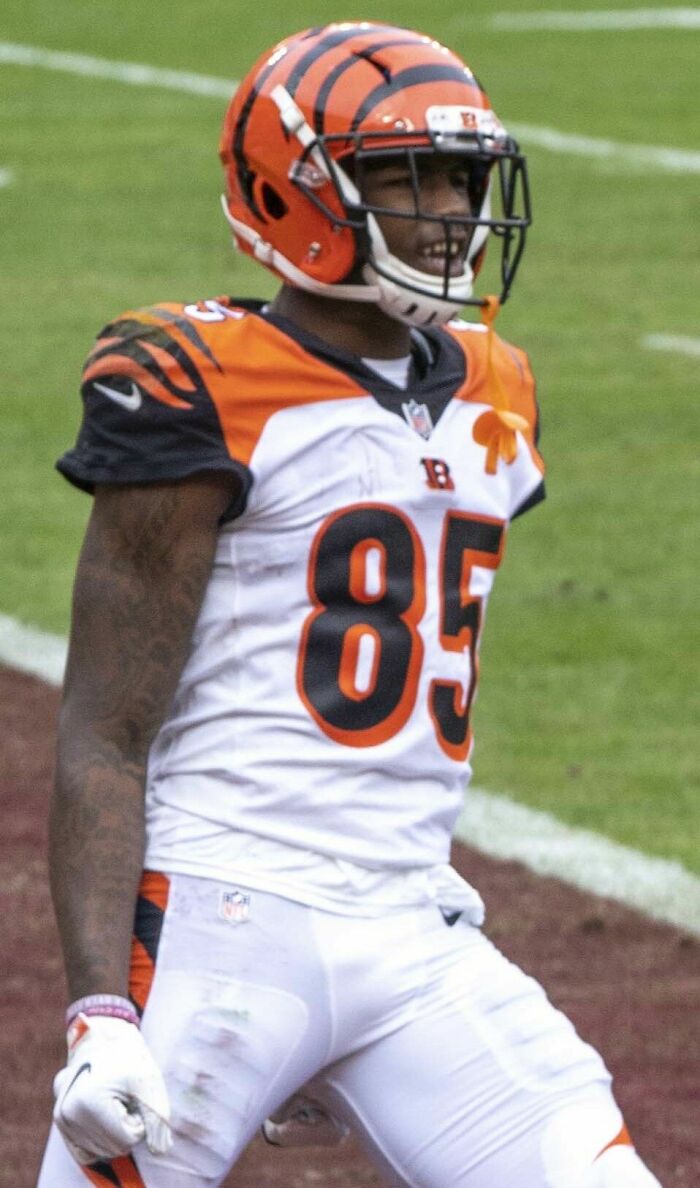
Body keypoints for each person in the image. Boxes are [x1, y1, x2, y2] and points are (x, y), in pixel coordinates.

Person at [39, 22, 661, 1188]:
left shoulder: (495, 389)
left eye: (461, 178)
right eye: (403, 175)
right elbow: (105, 736)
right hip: (224, 914)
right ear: (297, 190)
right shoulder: (200, 382)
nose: (448, 212)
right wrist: (98, 1010)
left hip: (412, 922)